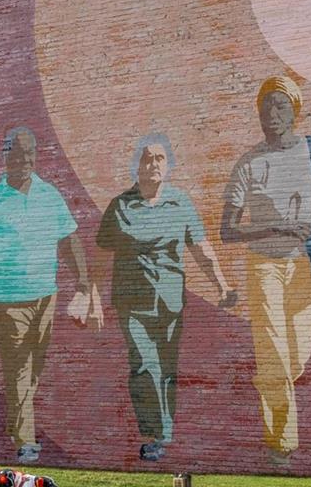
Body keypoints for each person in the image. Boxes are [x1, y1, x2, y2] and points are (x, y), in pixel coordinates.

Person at [0, 127, 98, 465]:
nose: (24, 160)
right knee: (18, 365)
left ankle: (15, 422)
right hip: (4, 299)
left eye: (29, 154)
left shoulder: (50, 196)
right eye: (17, 154)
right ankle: (26, 441)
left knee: (34, 368)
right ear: (6, 157)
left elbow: (69, 240)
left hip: (46, 295)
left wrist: (83, 284)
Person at [221, 75, 311, 466]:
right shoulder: (249, 163)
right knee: (272, 353)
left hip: (306, 265)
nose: (271, 115)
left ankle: (275, 395)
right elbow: (227, 229)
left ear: (295, 110)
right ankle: (281, 443)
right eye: (265, 108)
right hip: (265, 266)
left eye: (280, 106)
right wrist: (276, 228)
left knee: (296, 357)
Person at [97, 132, 239, 462]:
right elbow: (101, 256)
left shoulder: (180, 203)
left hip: (170, 299)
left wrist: (221, 285)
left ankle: (166, 430)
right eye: (147, 158)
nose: (153, 164)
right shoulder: (120, 206)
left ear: (169, 165)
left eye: (159, 159)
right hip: (132, 301)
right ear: (137, 165)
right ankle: (154, 434)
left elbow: (201, 249)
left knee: (168, 369)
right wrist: (88, 294)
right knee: (145, 366)